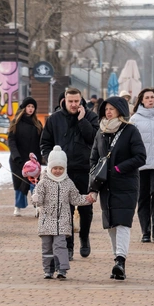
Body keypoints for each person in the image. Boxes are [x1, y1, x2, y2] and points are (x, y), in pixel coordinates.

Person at [90, 97, 146, 280]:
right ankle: (117, 260)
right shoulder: (101, 132)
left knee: (123, 222)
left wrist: (119, 168)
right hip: (106, 186)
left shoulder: (130, 131)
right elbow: (93, 159)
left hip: (126, 185)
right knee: (111, 224)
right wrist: (94, 184)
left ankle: (121, 260)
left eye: (112, 109)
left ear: (120, 110)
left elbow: (140, 157)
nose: (108, 112)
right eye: (106, 109)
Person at [41, 88, 100, 260]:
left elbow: (95, 139)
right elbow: (45, 143)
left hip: (84, 169)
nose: (74, 104)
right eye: (71, 101)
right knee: (65, 210)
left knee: (86, 208)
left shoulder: (90, 117)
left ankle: (84, 238)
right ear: (64, 101)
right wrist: (49, 160)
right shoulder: (54, 119)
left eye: (77, 101)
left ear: (81, 100)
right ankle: (68, 246)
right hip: (62, 172)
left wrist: (82, 121)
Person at [32, 146, 95, 280]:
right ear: (50, 167)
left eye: (60, 168)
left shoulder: (68, 183)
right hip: (46, 221)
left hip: (62, 222)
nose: (57, 171)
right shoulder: (43, 183)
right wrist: (36, 199)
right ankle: (48, 270)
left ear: (65, 168)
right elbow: (39, 200)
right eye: (55, 168)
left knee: (60, 245)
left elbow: (75, 198)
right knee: (47, 247)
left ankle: (62, 269)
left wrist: (87, 199)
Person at [130, 88, 154, 243]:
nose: (150, 100)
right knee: (143, 196)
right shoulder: (135, 119)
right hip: (141, 163)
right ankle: (145, 230)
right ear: (141, 100)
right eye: (147, 97)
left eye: (152, 97)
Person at [8, 97, 43, 217]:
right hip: (18, 159)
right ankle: (18, 206)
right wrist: (16, 156)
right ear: (24, 108)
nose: (31, 109)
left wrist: (40, 157)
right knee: (19, 183)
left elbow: (41, 142)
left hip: (33, 160)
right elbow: (11, 141)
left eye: (33, 107)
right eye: (28, 106)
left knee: (35, 184)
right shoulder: (16, 123)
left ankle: (37, 207)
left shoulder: (37, 124)